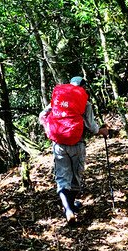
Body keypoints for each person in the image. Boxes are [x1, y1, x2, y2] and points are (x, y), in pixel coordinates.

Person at [39, 76, 109, 223]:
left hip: (58, 144)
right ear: (83, 87)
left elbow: (42, 116)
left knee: (62, 178)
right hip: (77, 144)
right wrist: (103, 131)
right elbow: (92, 127)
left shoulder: (57, 101)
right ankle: (70, 208)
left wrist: (49, 129)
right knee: (76, 177)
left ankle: (69, 209)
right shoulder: (85, 103)